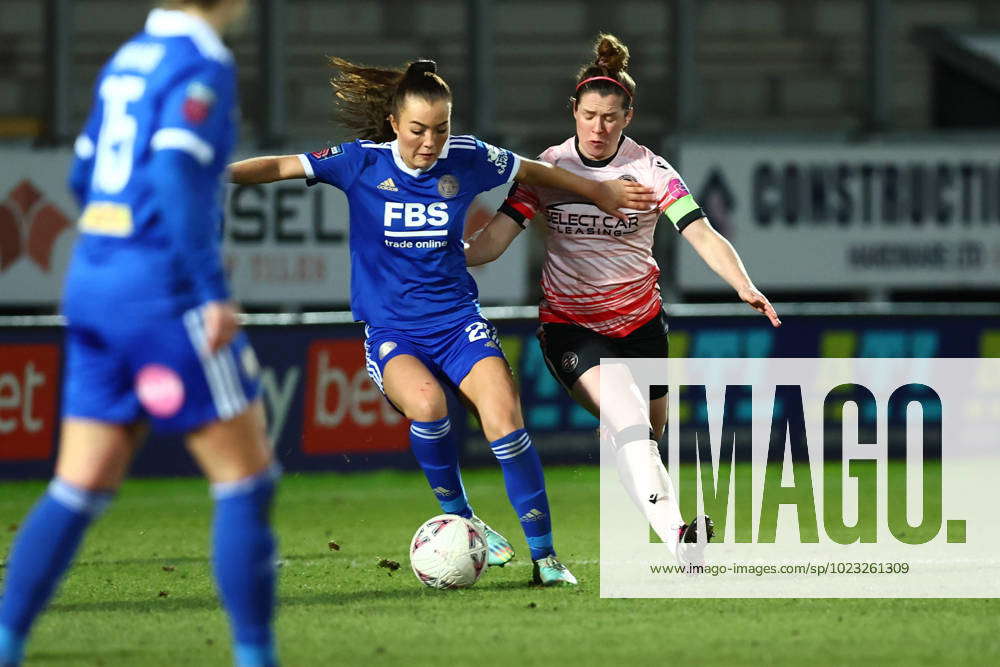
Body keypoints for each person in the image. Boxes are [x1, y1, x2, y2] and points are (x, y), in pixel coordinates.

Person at [228, 57, 654, 586]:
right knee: (428, 407)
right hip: (392, 332)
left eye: (441, 128)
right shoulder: (358, 163)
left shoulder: (469, 157)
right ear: (393, 125)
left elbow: (534, 171)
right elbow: (277, 167)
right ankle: (467, 519)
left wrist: (600, 191)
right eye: (418, 130)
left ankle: (545, 559)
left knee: (505, 417)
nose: (430, 142)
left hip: (458, 323)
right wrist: (209, 178)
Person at [0, 3, 280, 666]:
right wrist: (210, 289)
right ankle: (255, 656)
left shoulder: (129, 57)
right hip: (161, 290)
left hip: (93, 280)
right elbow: (172, 172)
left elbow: (81, 172)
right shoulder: (201, 61)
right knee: (247, 479)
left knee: (79, 483)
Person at [465, 34, 781, 562]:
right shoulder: (550, 169)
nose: (597, 127)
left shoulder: (651, 172)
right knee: (630, 420)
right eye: (588, 115)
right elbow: (495, 239)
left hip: (642, 327)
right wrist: (440, 253)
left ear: (627, 117)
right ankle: (682, 538)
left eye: (610, 117)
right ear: (574, 110)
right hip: (572, 327)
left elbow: (700, 232)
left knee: (643, 437)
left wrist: (743, 284)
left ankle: (659, 517)